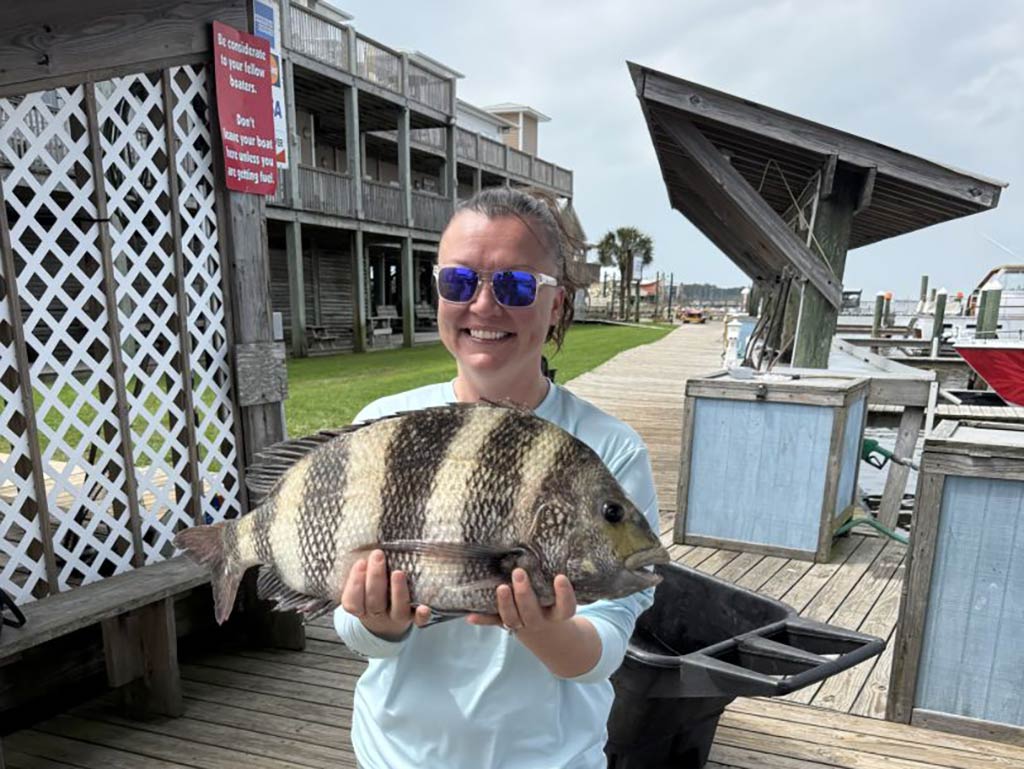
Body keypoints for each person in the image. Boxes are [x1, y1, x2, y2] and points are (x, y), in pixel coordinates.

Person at [334, 187, 659, 769]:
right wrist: (377, 624)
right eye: (458, 282)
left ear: (557, 305)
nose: (483, 306)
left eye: (514, 286)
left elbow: (605, 646)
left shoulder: (609, 449)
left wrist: (543, 630)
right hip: (397, 755)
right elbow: (353, 630)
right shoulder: (377, 430)